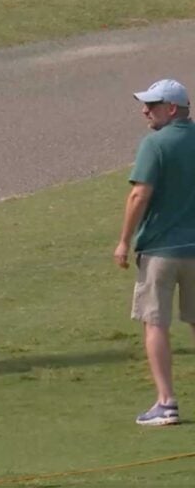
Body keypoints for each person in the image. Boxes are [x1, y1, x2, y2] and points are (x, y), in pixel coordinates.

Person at [114, 78, 195, 426]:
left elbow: (139, 195)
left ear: (172, 108)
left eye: (153, 104)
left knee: (155, 324)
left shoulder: (155, 144)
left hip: (161, 251)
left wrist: (123, 240)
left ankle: (166, 403)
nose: (145, 110)